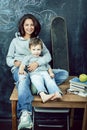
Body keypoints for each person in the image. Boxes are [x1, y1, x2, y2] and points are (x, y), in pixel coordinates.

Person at [6, 14, 68, 130]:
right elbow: (8, 59)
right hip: (21, 70)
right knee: (23, 78)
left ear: (35, 26)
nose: (29, 27)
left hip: (38, 70)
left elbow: (48, 56)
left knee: (63, 73)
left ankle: (32, 86)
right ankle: (25, 114)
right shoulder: (15, 41)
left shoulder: (37, 41)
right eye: (27, 25)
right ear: (22, 26)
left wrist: (37, 63)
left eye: (32, 25)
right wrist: (17, 63)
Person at [19, 37, 63, 103]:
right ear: (30, 49)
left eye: (38, 49)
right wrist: (21, 70)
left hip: (44, 72)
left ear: (41, 49)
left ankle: (56, 93)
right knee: (38, 81)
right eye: (34, 49)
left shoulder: (42, 58)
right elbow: (23, 64)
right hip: (34, 74)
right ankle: (43, 95)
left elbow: (48, 66)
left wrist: (51, 73)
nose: (36, 52)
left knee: (50, 80)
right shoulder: (28, 57)